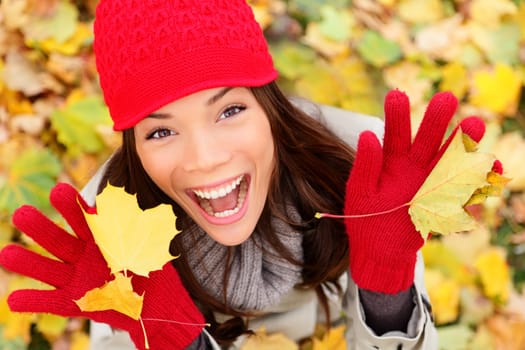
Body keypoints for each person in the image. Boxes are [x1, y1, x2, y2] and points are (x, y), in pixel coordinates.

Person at [0, 0, 495, 349]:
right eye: (160, 132)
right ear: (133, 144)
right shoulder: (113, 236)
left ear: (268, 104)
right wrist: (176, 339)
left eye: (229, 110)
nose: (205, 159)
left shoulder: (362, 172)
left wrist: (385, 293)